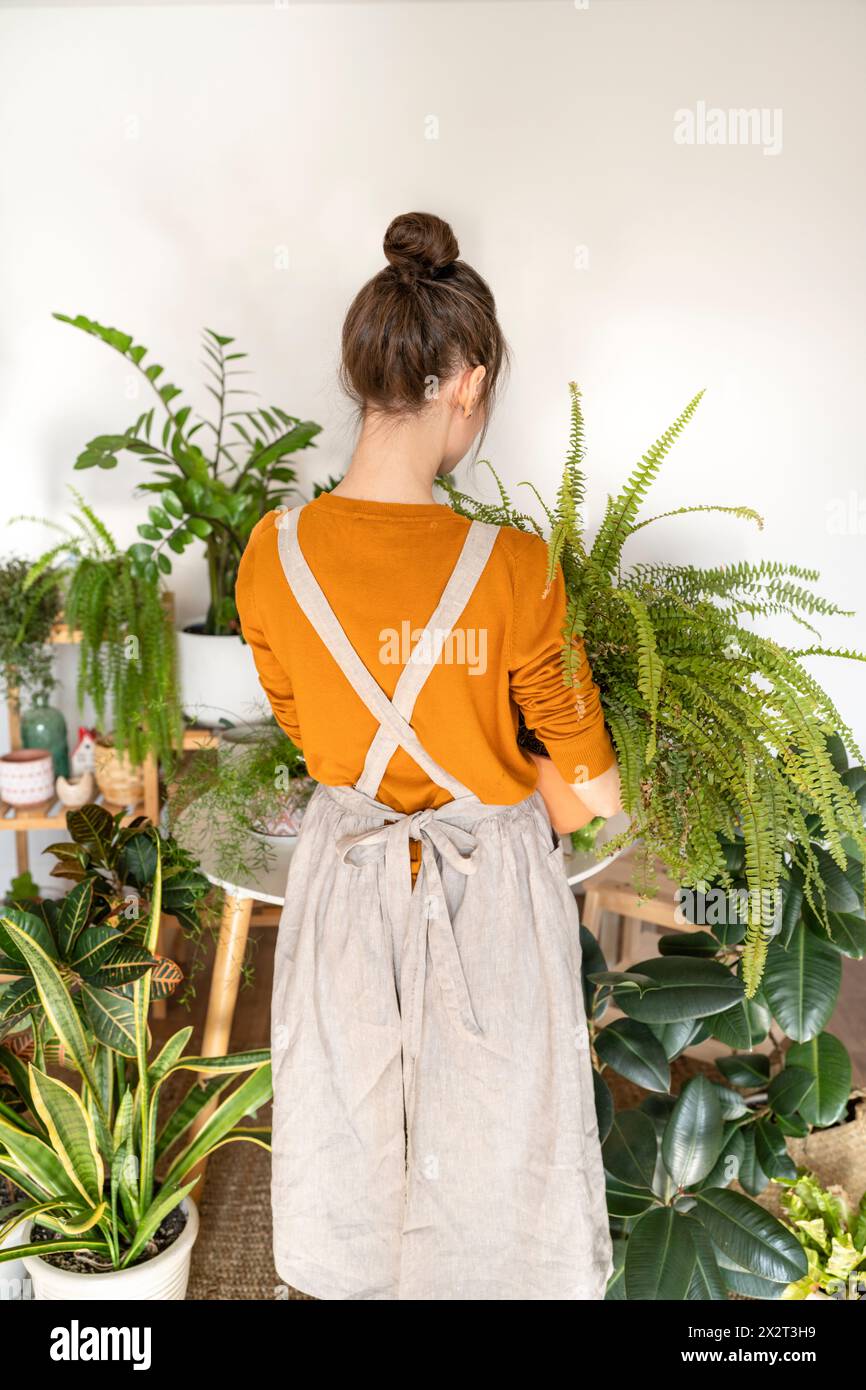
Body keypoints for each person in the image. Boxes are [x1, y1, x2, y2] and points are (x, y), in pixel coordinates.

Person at [235, 211, 622, 1301]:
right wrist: (502, 766)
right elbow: (591, 789)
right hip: (486, 886)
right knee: (502, 1137)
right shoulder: (515, 567)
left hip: (343, 876)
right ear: (469, 381)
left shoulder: (272, 553)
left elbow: (310, 731)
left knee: (347, 1123)